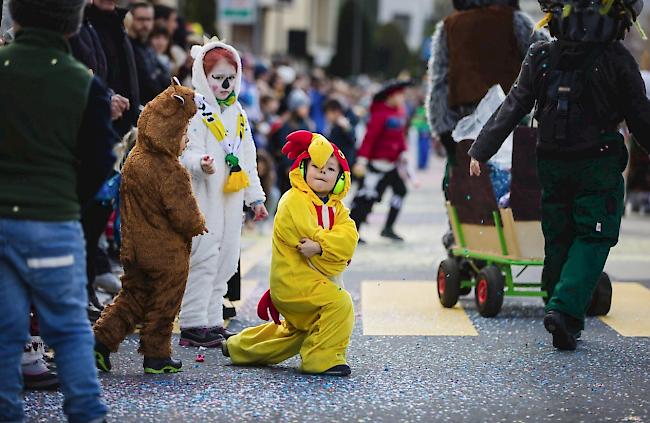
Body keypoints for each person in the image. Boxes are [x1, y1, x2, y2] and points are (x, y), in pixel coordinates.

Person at [468, 0, 650, 351]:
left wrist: (481, 149)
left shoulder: (540, 55)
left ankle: (556, 300)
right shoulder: (617, 59)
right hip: (597, 162)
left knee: (559, 233)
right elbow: (641, 118)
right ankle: (564, 310)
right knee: (594, 235)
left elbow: (514, 106)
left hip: (550, 162)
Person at [0, 0, 116, 420]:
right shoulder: (82, 82)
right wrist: (67, 195)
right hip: (54, 220)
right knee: (68, 330)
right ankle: (87, 413)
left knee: (5, 331)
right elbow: (101, 161)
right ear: (73, 23)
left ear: (16, 15)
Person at [223, 130, 358, 377]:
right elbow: (308, 236)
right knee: (340, 303)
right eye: (316, 166)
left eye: (330, 169)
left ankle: (238, 348)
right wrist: (334, 252)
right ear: (303, 169)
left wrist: (320, 247)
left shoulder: (338, 208)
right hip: (293, 281)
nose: (322, 172)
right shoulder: (293, 200)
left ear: (340, 179)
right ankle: (321, 360)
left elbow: (350, 238)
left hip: (311, 281)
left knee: (298, 332)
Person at [93, 82, 207, 374]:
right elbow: (183, 214)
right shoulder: (170, 169)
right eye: (183, 135)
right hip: (165, 252)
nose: (186, 142)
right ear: (169, 133)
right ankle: (156, 355)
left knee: (131, 298)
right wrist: (198, 224)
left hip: (134, 247)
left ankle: (99, 345)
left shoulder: (134, 159)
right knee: (164, 303)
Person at [178, 37, 267, 348]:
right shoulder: (195, 110)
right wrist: (199, 164)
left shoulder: (239, 112)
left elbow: (248, 159)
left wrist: (255, 198)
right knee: (203, 255)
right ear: (204, 77)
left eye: (231, 77)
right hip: (203, 195)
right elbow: (184, 153)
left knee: (228, 259)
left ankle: (213, 319)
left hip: (231, 196)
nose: (226, 84)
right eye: (218, 78)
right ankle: (192, 323)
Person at [426, 0, 547, 199]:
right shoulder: (513, 19)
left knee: (463, 188)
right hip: (512, 114)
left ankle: (461, 229)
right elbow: (544, 56)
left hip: (464, 120)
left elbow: (439, 81)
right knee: (514, 186)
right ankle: (511, 225)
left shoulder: (450, 26)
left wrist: (443, 130)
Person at [349, 80, 412, 242]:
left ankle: (388, 227)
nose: (403, 98)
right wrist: (362, 160)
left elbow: (400, 137)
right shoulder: (379, 114)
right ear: (391, 96)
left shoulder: (398, 113)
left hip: (391, 166)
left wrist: (403, 151)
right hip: (375, 166)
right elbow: (369, 139)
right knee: (366, 199)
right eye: (400, 95)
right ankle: (352, 232)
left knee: (401, 191)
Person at [87, 0, 140, 135]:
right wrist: (106, 99)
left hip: (125, 124)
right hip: (102, 123)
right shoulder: (86, 26)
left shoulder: (119, 23)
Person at [270, 88, 315, 193]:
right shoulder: (286, 125)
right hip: (287, 168)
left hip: (301, 166)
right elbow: (284, 148)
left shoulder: (307, 123)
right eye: (303, 106)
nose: (307, 109)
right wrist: (288, 166)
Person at [128, 2, 169, 105]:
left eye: (149, 19)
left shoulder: (148, 49)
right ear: (131, 19)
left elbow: (163, 80)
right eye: (141, 19)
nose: (145, 24)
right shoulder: (126, 46)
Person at [324, 97, 357, 170]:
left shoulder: (345, 124)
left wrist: (347, 128)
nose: (327, 117)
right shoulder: (333, 125)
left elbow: (353, 140)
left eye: (328, 113)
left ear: (336, 112)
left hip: (344, 163)